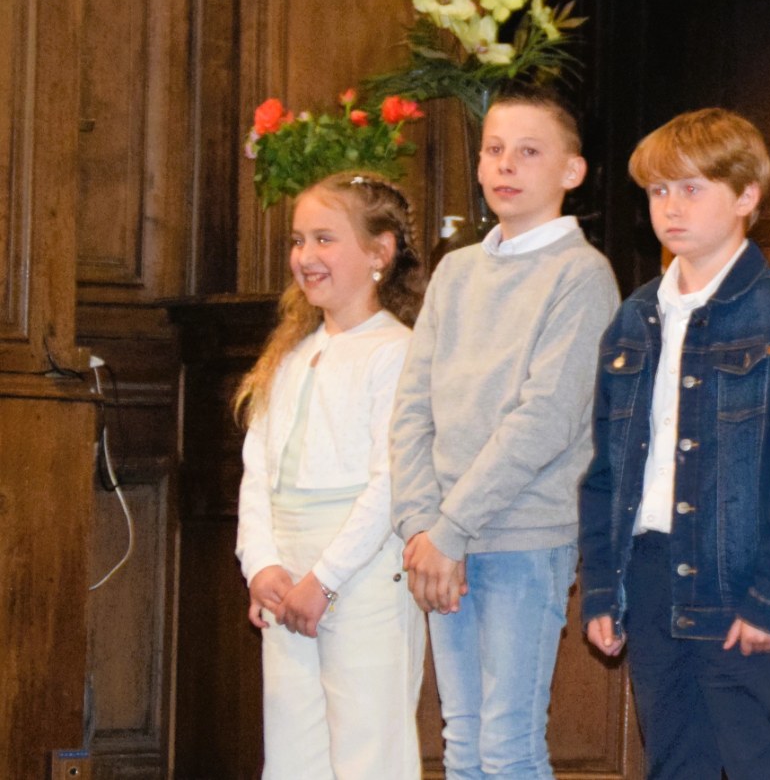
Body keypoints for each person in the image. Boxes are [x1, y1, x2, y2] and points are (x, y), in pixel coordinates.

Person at [579, 108, 770, 780]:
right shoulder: (633, 318)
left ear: (747, 196)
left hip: (737, 581)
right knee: (672, 762)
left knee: (754, 760)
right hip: (650, 571)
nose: (671, 207)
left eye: (691, 189)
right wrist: (604, 590)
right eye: (658, 191)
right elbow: (607, 472)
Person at [390, 85, 621, 780]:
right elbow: (411, 408)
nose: (505, 166)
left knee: (508, 742)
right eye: (494, 150)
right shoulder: (457, 271)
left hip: (523, 534)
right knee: (461, 742)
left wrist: (451, 529)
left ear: (571, 172)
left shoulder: (582, 274)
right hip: (442, 540)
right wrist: (420, 529)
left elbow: (545, 417)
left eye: (528, 152)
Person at [234, 173, 427, 780]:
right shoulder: (289, 355)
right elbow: (257, 470)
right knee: (294, 750)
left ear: (380, 251)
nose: (305, 256)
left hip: (361, 572)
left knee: (369, 748)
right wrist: (261, 563)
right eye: (298, 240)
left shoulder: (395, 352)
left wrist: (325, 578)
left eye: (324, 239)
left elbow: (391, 479)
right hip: (288, 570)